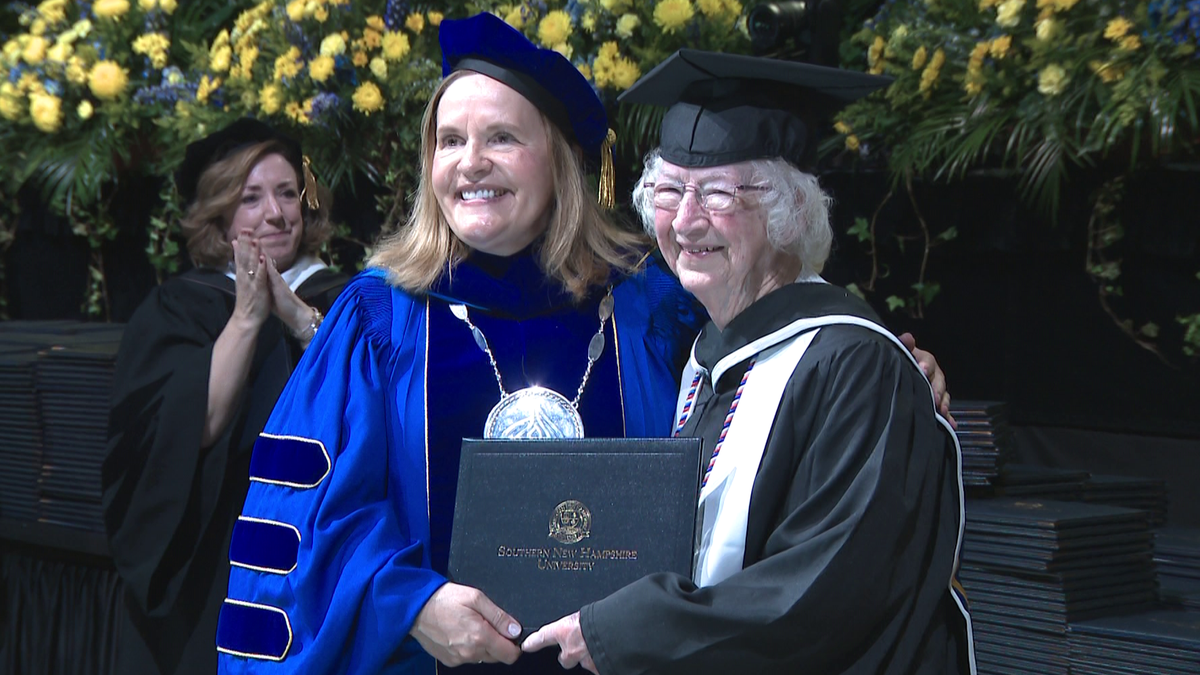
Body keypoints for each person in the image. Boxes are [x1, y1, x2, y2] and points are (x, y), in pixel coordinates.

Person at [215, 15, 951, 675]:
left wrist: (895, 372)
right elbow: (304, 515)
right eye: (449, 140)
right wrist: (408, 601)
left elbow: (774, 381)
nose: (470, 162)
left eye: (502, 137)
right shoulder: (379, 319)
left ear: (561, 161)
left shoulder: (652, 305)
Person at [523, 50, 976, 674]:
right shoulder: (712, 358)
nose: (684, 220)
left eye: (715, 193)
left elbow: (824, 593)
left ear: (788, 212)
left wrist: (623, 629)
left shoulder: (854, 366)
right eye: (668, 190)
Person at [102, 118, 348, 675]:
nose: (276, 214)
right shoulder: (180, 310)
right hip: (214, 571)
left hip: (322, 564)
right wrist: (248, 316)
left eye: (288, 194)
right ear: (219, 214)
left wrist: (300, 319)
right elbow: (196, 430)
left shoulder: (343, 304)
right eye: (251, 198)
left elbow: (372, 413)